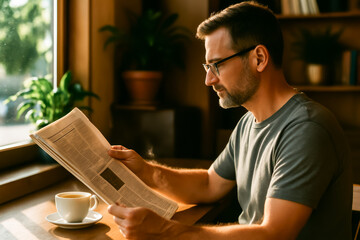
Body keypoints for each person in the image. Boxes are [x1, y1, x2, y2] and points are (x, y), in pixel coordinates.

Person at [107, 1, 353, 239]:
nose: (209, 80)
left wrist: (167, 231)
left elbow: (274, 234)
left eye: (217, 65)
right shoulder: (248, 123)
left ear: (259, 58)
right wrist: (145, 171)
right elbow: (209, 184)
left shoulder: (307, 129)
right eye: (208, 67)